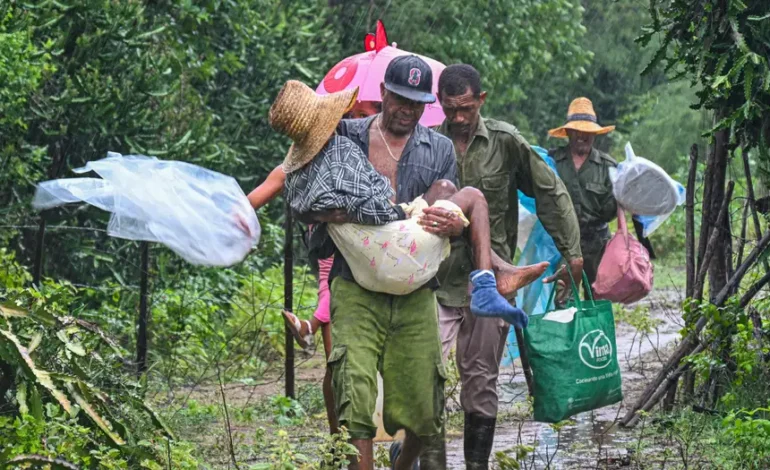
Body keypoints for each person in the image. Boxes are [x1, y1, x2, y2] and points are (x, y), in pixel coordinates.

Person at [433, 64, 584, 470]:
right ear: (440, 105)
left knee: (481, 381)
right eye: (450, 109)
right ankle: (421, 459)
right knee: (424, 375)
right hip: (435, 280)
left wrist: (573, 255)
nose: (459, 117)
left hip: (492, 283)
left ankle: (476, 466)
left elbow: (550, 192)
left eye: (466, 107)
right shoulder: (429, 145)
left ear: (481, 100)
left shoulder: (505, 142)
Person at [246, 98, 383, 437]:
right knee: (338, 360)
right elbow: (255, 199)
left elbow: (253, 200)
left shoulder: (354, 153)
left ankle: (349, 437)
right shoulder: (315, 164)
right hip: (339, 264)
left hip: (373, 262)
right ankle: (342, 440)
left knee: (350, 360)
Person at [548, 97, 618, 297]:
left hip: (597, 245)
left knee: (596, 301)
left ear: (594, 134)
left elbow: (616, 208)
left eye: (587, 132)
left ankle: (595, 330)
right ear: (568, 133)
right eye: (577, 131)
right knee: (562, 299)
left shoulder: (608, 167)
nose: (582, 136)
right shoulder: (552, 162)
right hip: (562, 245)